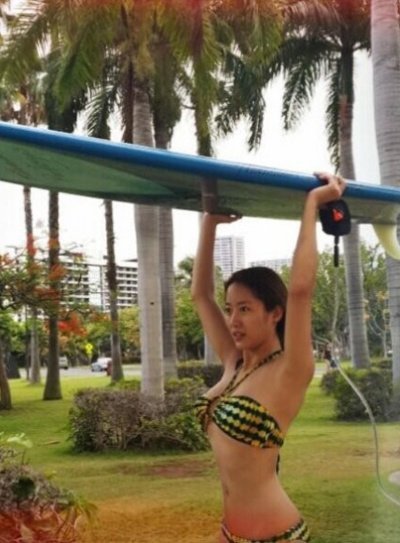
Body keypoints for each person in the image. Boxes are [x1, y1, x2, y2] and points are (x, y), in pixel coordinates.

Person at [191, 172, 346, 543]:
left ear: (275, 313)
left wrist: (313, 203)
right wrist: (210, 223)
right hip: (230, 532)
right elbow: (200, 295)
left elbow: (301, 290)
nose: (233, 320)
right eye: (230, 309)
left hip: (276, 535)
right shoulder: (235, 362)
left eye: (245, 309)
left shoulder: (290, 370)